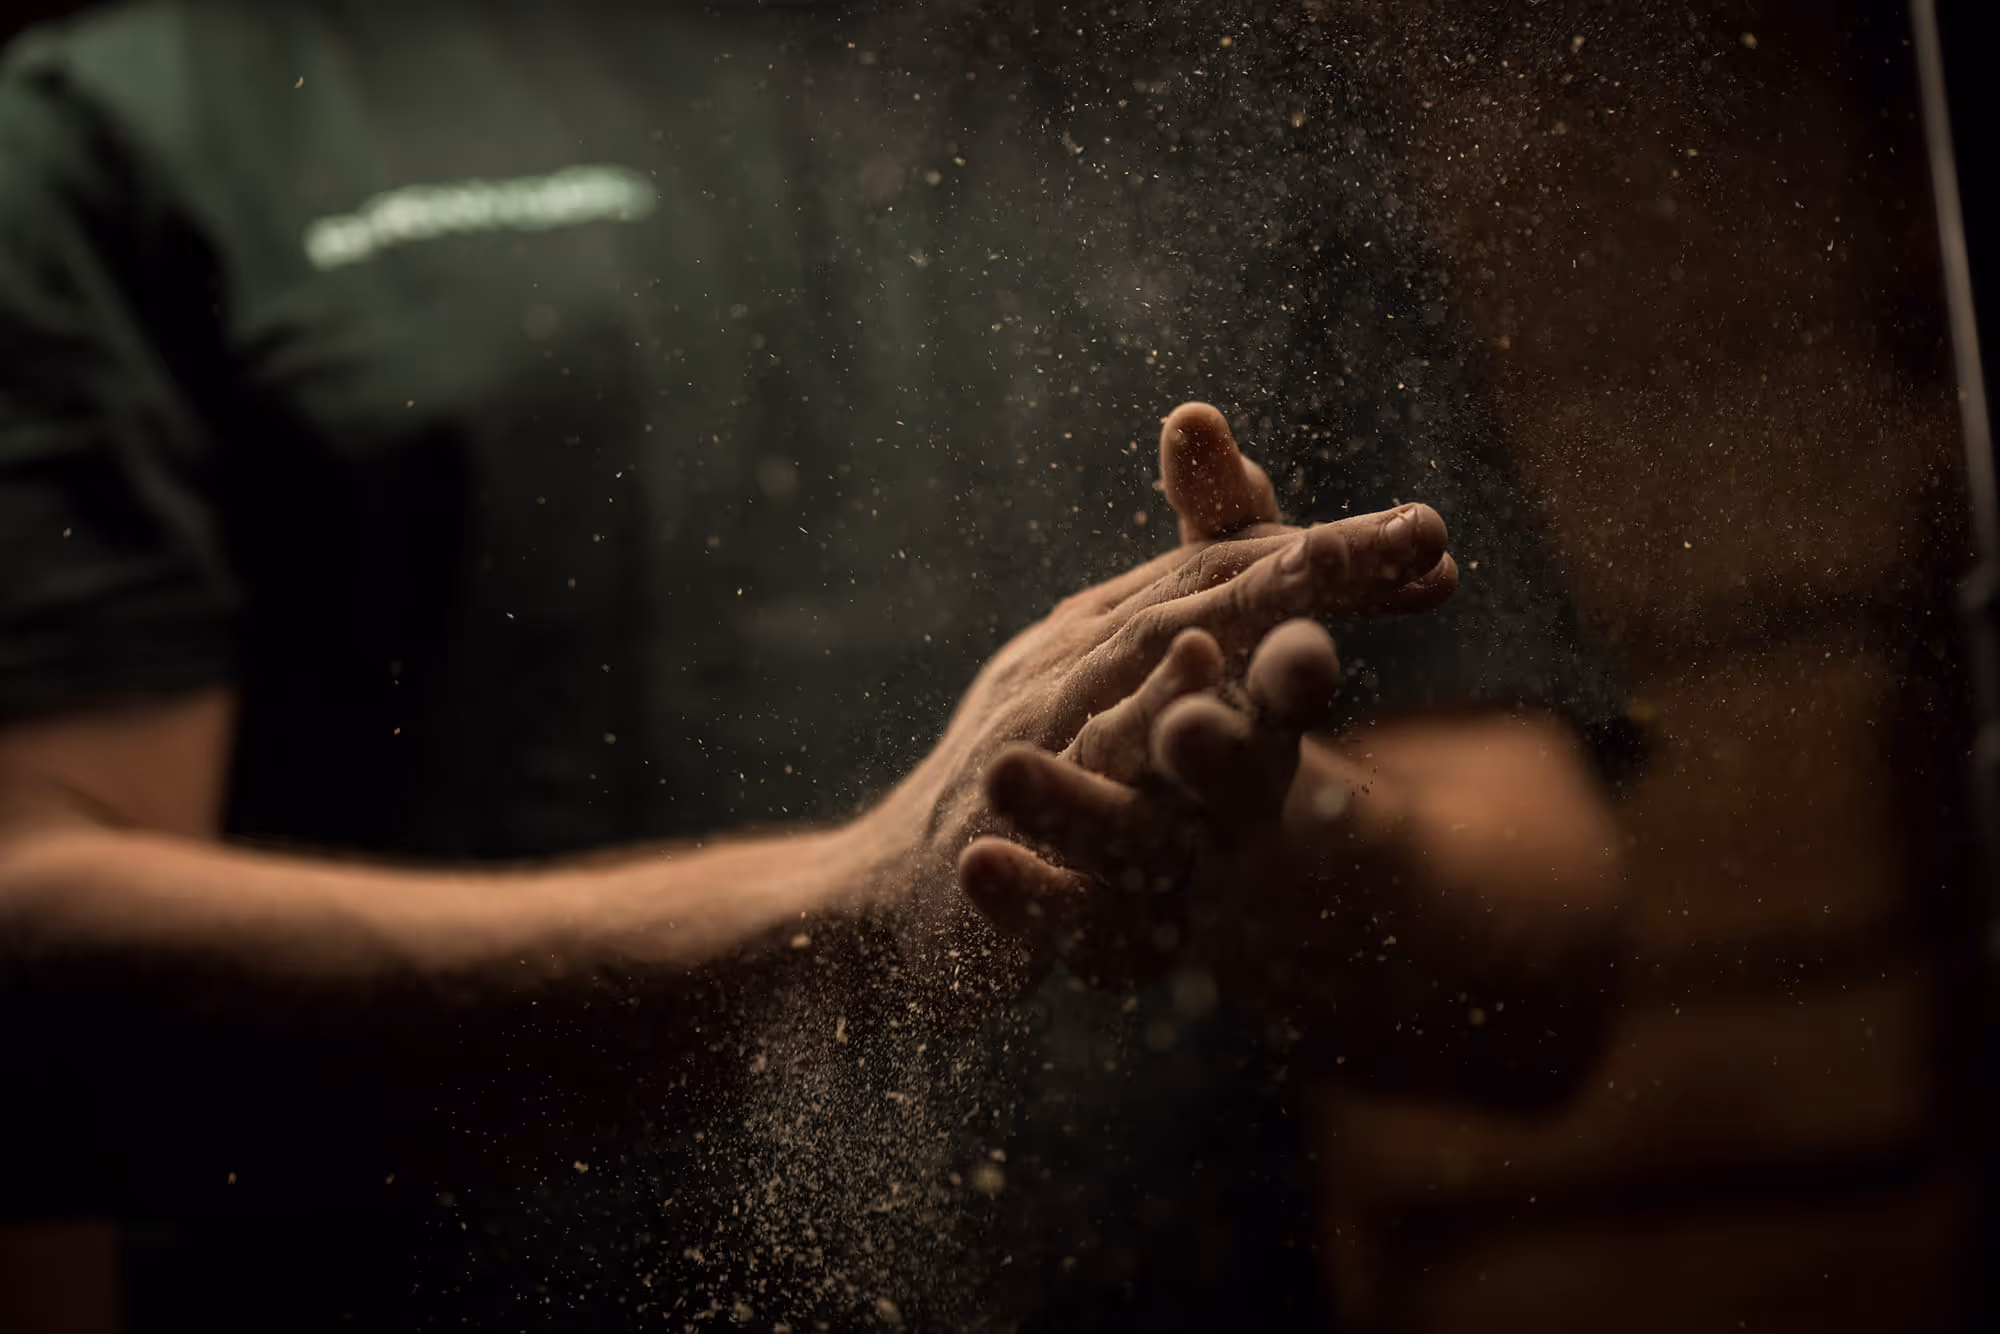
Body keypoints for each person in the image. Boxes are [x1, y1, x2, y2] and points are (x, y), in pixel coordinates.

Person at [0, 0, 1634, 1328]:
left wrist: (1254, 831)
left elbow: (1546, 974)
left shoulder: (1208, 80)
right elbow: (35, 963)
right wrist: (847, 917)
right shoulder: (154, 125)